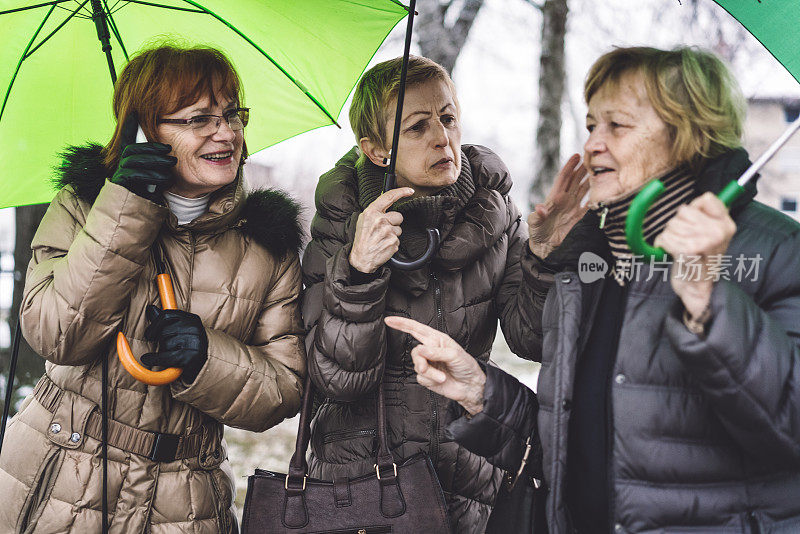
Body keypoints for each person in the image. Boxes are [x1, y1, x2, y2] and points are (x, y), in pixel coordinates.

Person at [387, 46, 800, 533]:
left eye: (617, 126)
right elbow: (572, 448)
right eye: (590, 126)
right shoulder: (587, 263)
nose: (593, 145)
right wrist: (482, 393)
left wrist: (712, 307)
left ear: (689, 136)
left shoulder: (776, 251)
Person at [0, 45, 306, 533]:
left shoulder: (266, 242)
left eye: (232, 114)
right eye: (198, 120)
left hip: (185, 499)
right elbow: (57, 334)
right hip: (60, 477)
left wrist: (209, 358)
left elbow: (285, 388)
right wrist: (125, 208)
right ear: (144, 131)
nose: (226, 133)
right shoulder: (84, 205)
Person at [300, 55, 586, 533]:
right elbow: (336, 379)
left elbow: (531, 341)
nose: (442, 137)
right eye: (416, 127)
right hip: (364, 484)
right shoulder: (342, 221)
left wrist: (541, 259)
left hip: (468, 475)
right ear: (376, 151)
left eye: (448, 117)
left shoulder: (493, 212)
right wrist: (360, 270)